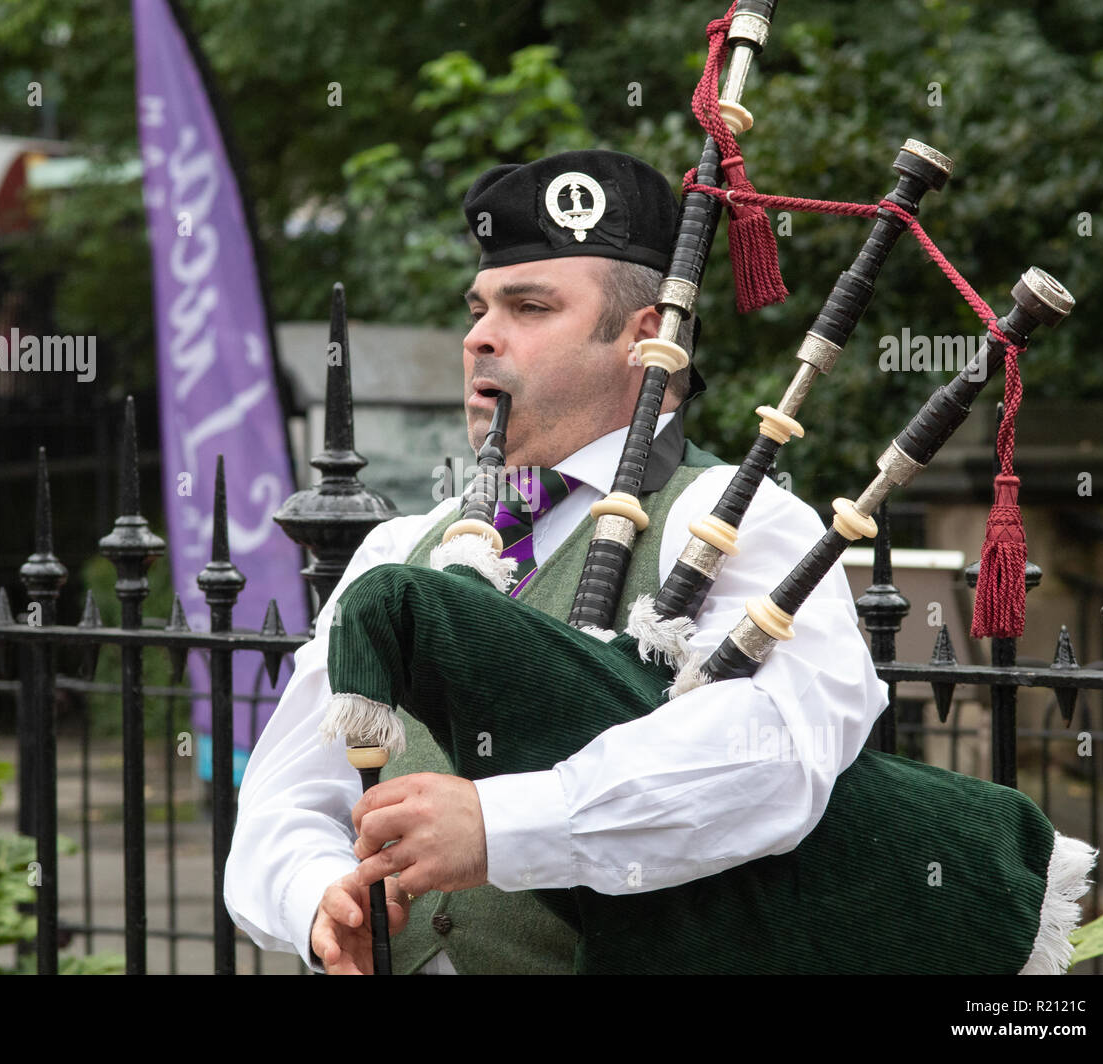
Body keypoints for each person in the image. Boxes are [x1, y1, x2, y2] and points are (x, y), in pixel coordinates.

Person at [224, 148, 888, 974]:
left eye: (530, 307)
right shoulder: (405, 549)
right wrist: (318, 893)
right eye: (478, 308)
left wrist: (501, 827)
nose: (479, 337)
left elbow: (779, 753)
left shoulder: (733, 523)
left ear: (649, 341)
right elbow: (285, 792)